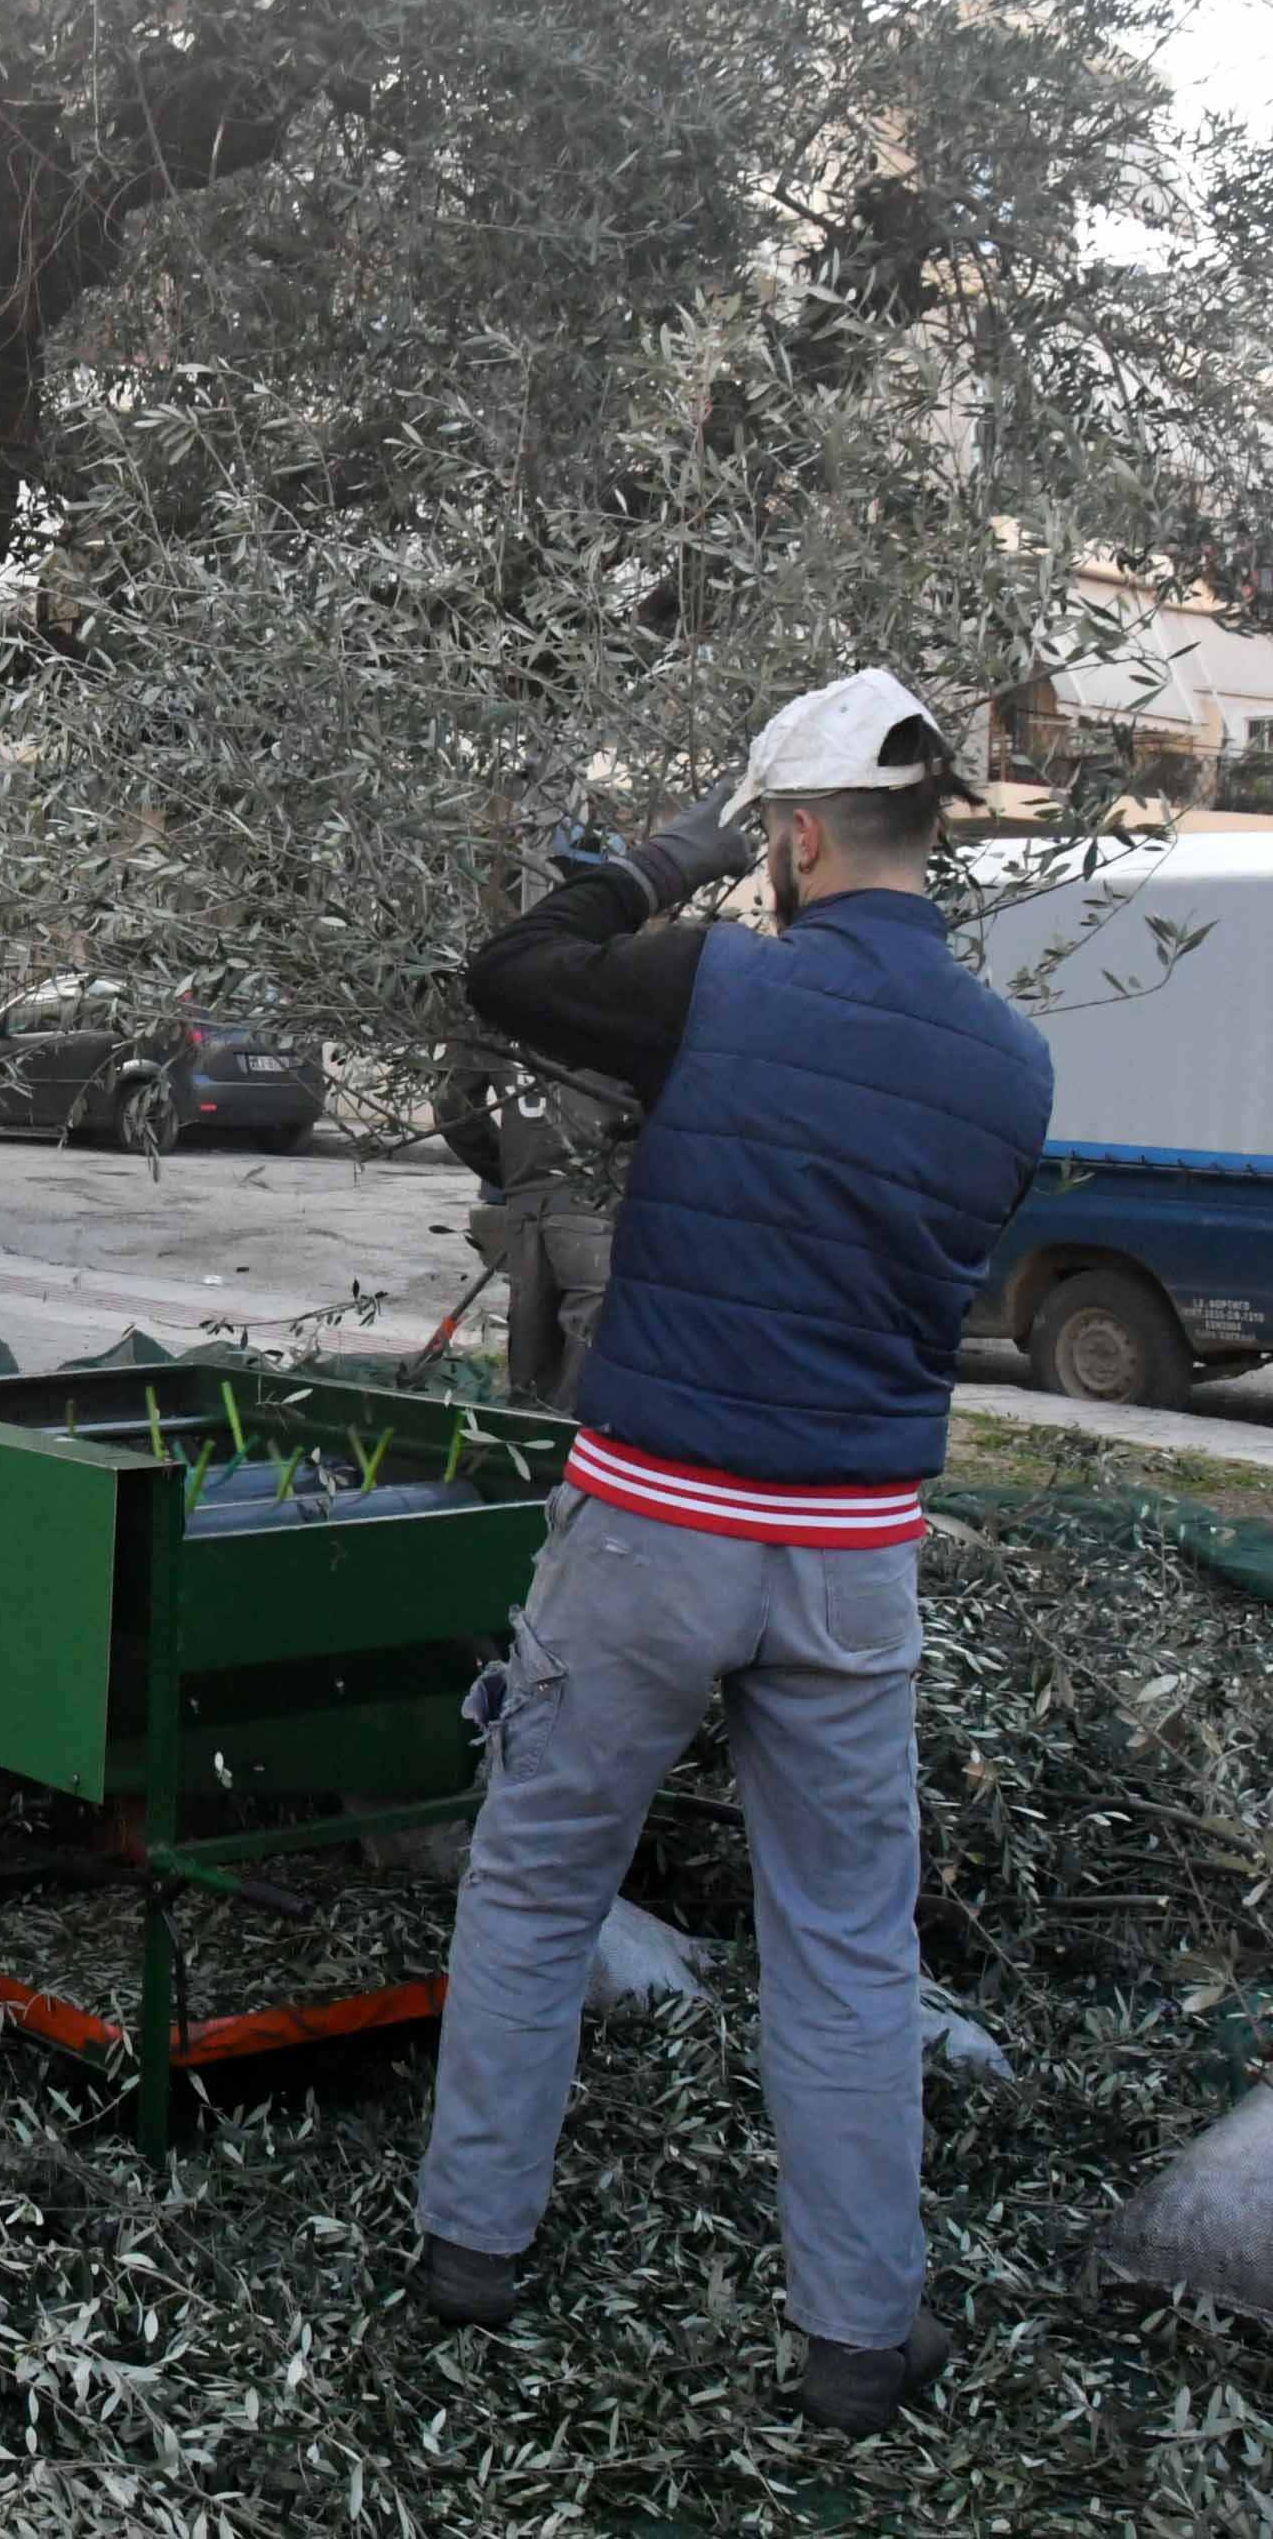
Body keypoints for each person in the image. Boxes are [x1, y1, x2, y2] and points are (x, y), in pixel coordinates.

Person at [408, 670, 1053, 2436]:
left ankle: (473, 2253)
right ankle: (858, 2338)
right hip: (850, 1555)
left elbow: (510, 973)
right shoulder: (1013, 1062)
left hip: (651, 1525)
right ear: (931, 834)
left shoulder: (722, 980)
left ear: (789, 834)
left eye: (758, 834)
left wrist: (655, 856)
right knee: (846, 1941)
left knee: (538, 1881)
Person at [432, 1033, 630, 1409]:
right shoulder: (625, 997)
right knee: (590, 1330)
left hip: (529, 1196)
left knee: (531, 1325)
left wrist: (510, 1173)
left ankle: (529, 1433)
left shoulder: (496, 1006)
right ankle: (565, 1440)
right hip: (597, 1196)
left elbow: (450, 1103)